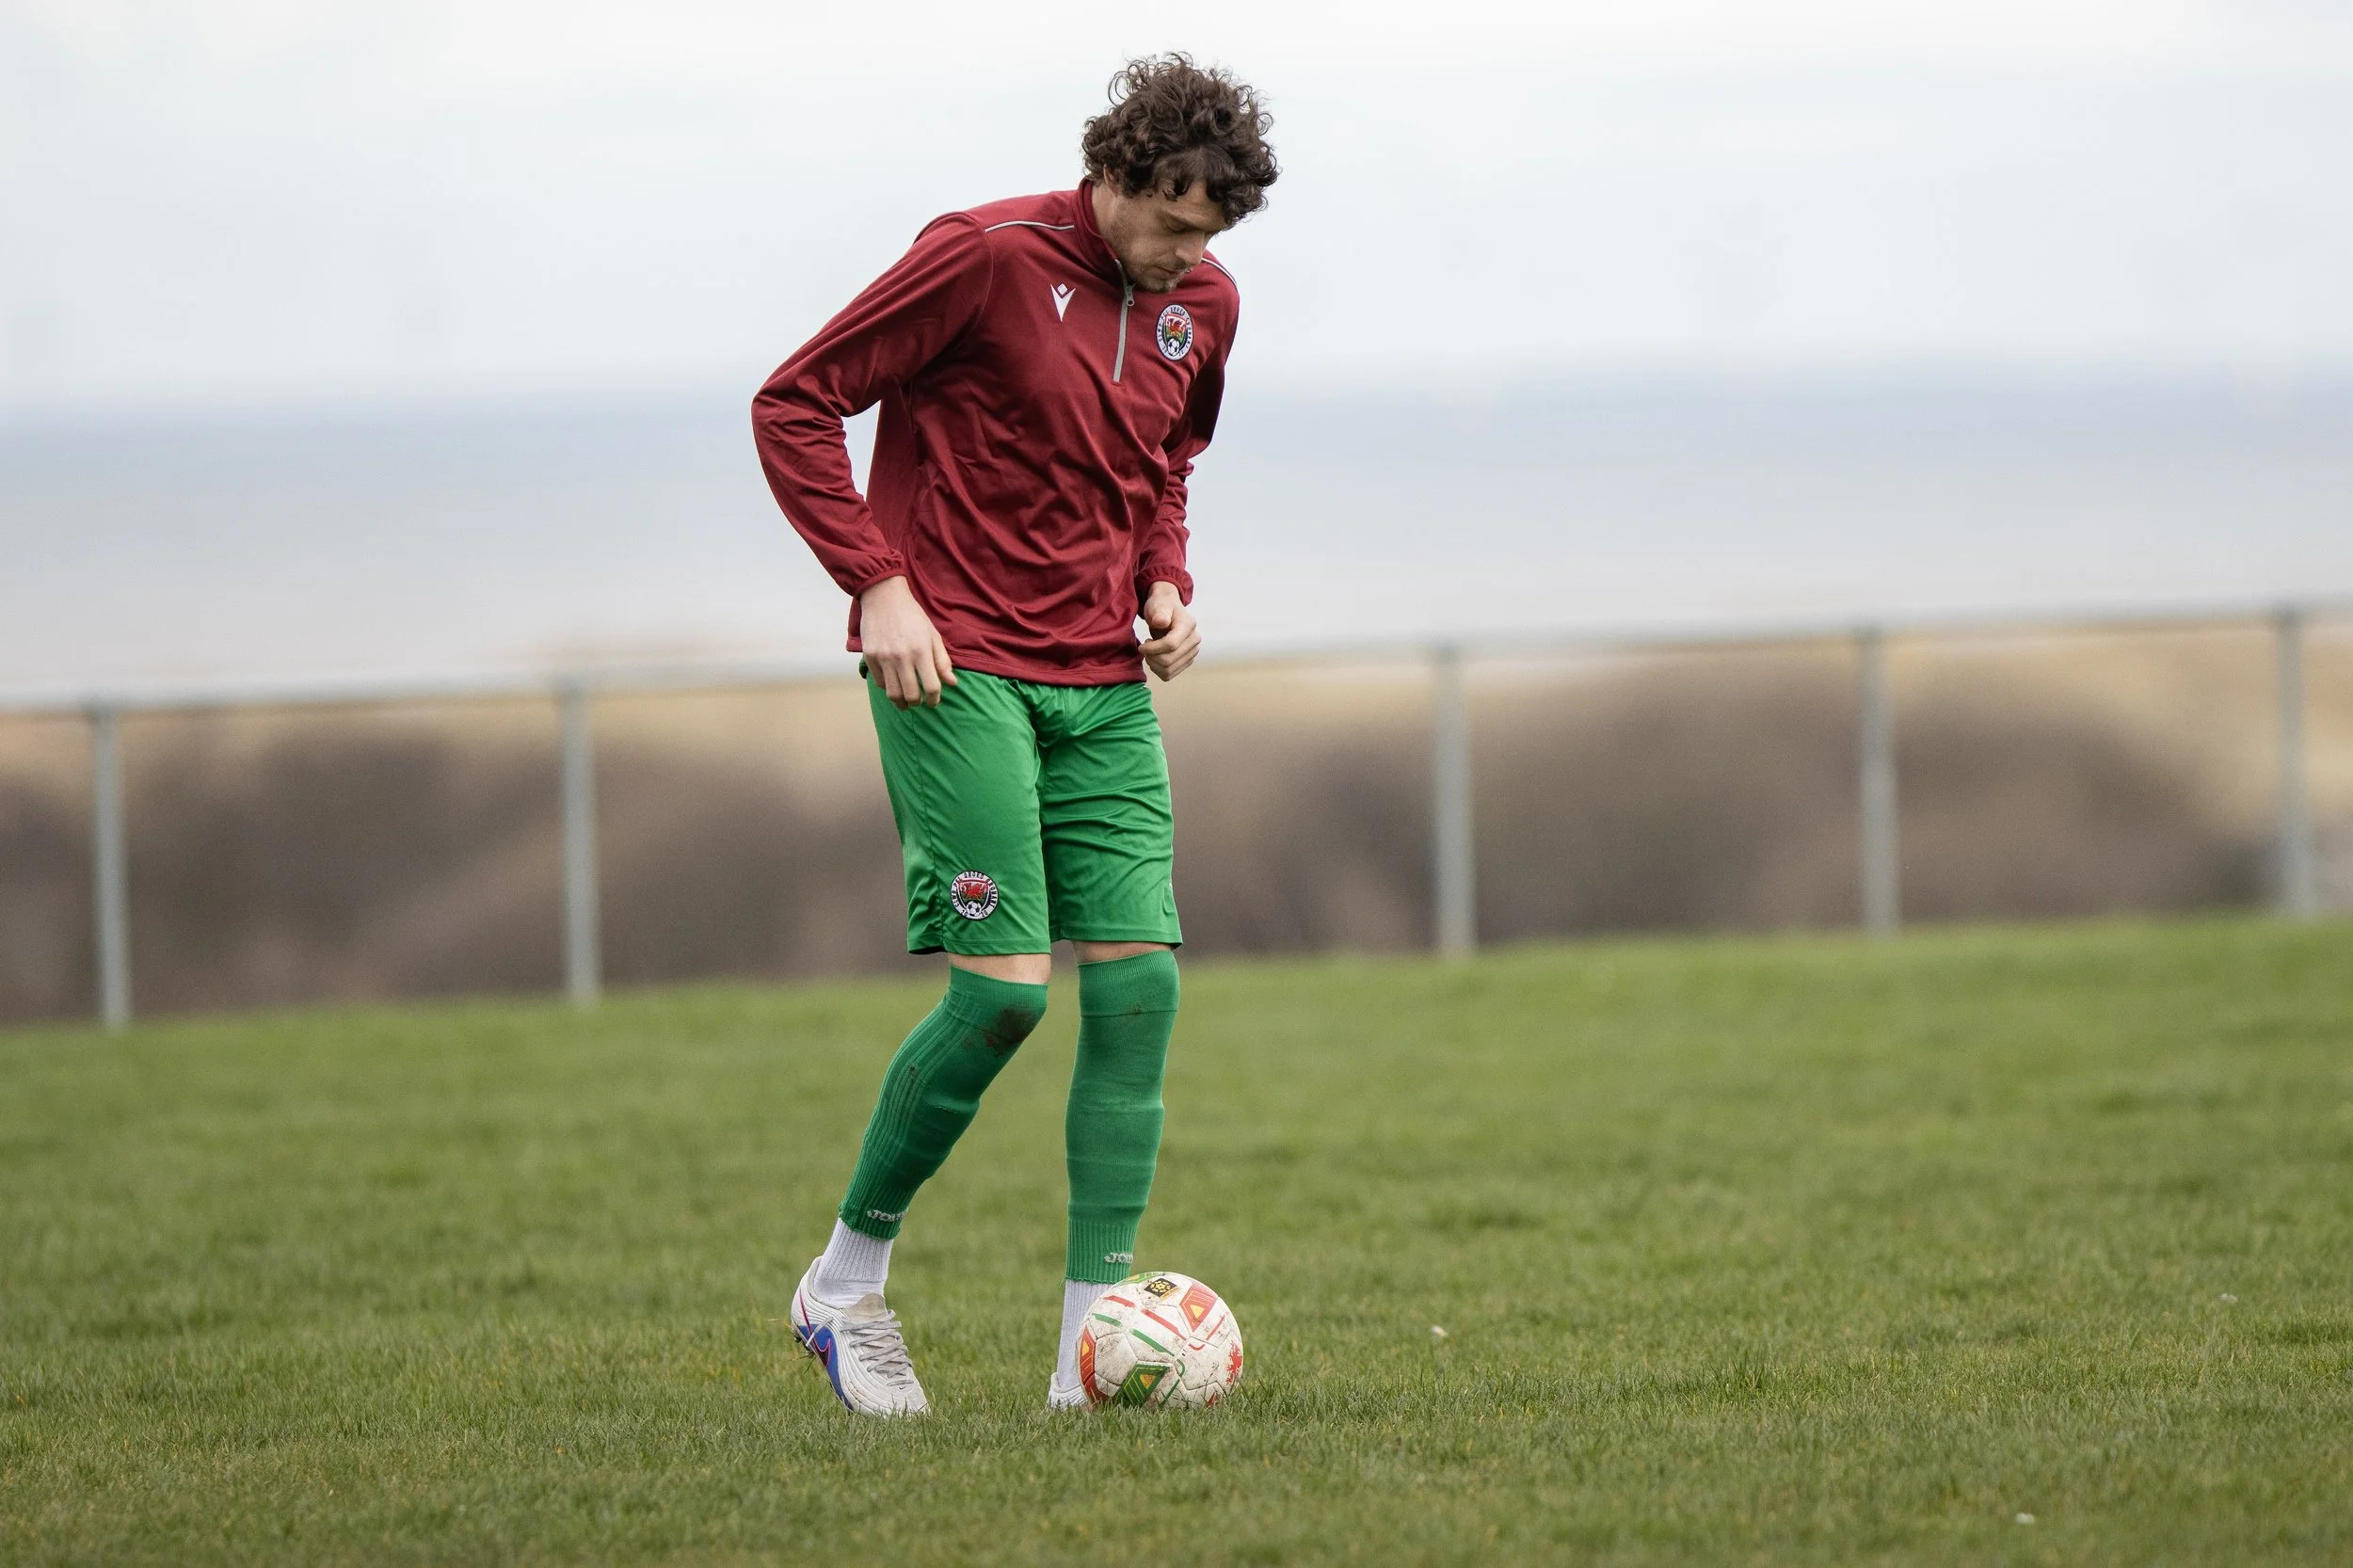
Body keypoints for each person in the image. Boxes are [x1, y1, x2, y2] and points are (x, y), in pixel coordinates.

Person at [749, 55, 1277, 1416]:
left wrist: (1168, 581)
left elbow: (1164, 464)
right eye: (1169, 222)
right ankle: (844, 1283)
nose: (1184, 257)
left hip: (1104, 681)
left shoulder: (1202, 306)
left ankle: (1089, 1354)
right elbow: (795, 399)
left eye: (1208, 236)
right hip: (954, 665)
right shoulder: (979, 258)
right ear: (1112, 174)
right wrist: (876, 580)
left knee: (1142, 990)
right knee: (1001, 994)